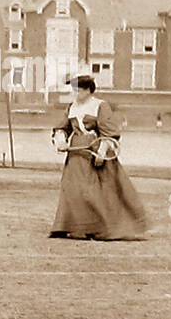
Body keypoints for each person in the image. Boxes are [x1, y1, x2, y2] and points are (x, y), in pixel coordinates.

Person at [49, 74, 146, 240]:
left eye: (78, 90)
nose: (75, 94)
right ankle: (68, 226)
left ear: (88, 90)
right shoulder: (72, 107)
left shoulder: (100, 106)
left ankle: (97, 228)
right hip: (76, 154)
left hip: (95, 152)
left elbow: (109, 133)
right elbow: (63, 127)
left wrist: (102, 151)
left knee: (94, 191)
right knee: (71, 187)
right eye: (74, 90)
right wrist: (61, 139)